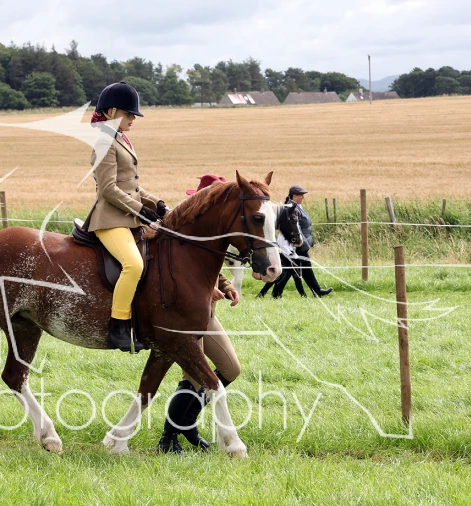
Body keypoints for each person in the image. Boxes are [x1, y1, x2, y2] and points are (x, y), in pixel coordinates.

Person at [156, 175, 243, 454]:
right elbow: (182, 274)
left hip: (207, 313)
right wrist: (206, 290)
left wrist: (226, 287)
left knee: (231, 368)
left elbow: (213, 270)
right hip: (186, 314)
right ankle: (168, 438)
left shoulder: (211, 233)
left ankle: (187, 422)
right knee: (193, 377)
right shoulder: (183, 232)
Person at [82, 81, 168, 353]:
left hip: (127, 217)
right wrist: (141, 211)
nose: (133, 119)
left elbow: (132, 186)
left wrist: (158, 204)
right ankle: (118, 325)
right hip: (109, 219)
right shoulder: (104, 142)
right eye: (129, 114)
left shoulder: (120, 138)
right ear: (111, 112)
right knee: (133, 264)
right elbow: (109, 189)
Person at [259, 185, 332, 298]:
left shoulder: (297, 206)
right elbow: (291, 227)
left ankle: (274, 293)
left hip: (301, 243)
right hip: (296, 244)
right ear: (294, 195)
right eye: (300, 195)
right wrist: (294, 243)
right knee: (296, 270)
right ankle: (314, 291)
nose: (303, 197)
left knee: (294, 270)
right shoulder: (291, 208)